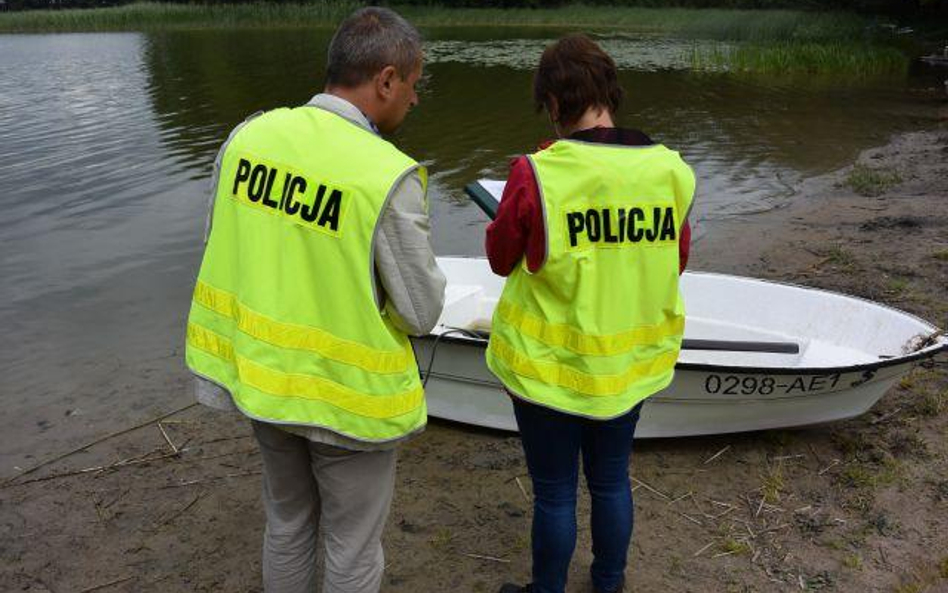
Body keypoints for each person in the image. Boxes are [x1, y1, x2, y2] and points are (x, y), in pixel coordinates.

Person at [184, 7, 445, 593]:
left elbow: (221, 243)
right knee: (352, 548)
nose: (415, 98)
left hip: (265, 380)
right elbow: (422, 311)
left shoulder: (248, 136)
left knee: (288, 521)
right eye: (413, 82)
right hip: (347, 400)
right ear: (384, 80)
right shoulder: (384, 172)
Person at [485, 34, 694, 593]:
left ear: (553, 105)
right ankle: (608, 582)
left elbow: (501, 257)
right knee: (610, 481)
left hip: (550, 368)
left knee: (554, 491)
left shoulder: (538, 172)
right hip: (628, 365)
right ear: (611, 94)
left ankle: (547, 588)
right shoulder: (669, 170)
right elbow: (676, 257)